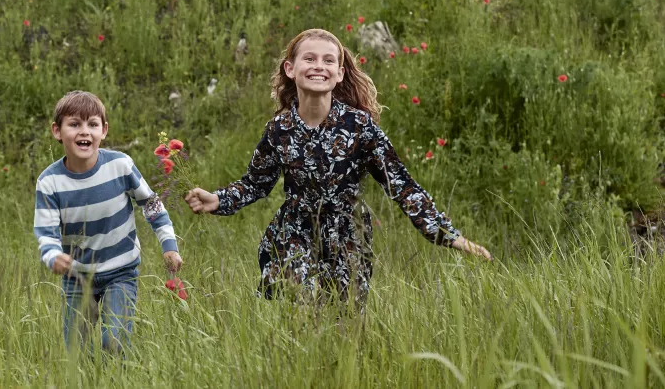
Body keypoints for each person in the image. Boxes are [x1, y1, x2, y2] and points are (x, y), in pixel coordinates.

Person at [184, 29, 491, 306]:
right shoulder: (279, 129)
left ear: (340, 73)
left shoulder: (359, 127)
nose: (319, 66)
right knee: (300, 306)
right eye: (309, 58)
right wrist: (218, 199)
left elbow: (401, 185)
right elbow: (255, 184)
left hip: (348, 236)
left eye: (328, 60)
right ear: (290, 69)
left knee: (343, 324)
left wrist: (450, 236)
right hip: (295, 233)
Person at [34, 90, 183, 354]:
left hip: (120, 272)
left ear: (104, 130)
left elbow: (152, 204)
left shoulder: (120, 166)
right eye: (74, 124)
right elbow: (45, 232)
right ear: (57, 131)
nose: (84, 131)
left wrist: (169, 245)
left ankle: (116, 376)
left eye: (92, 124)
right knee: (75, 353)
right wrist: (53, 255)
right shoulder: (50, 182)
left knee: (113, 342)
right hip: (77, 277)